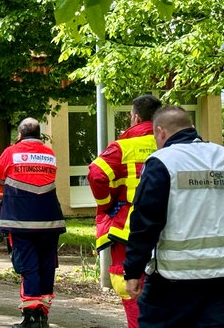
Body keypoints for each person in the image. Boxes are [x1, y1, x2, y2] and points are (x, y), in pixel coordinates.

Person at [123, 106, 224, 327]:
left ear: (160, 132)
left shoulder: (162, 162)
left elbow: (145, 223)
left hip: (175, 278)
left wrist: (133, 270)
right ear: (192, 128)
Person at [87, 94, 161, 328]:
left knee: (129, 285)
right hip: (173, 227)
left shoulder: (123, 146)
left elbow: (97, 174)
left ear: (135, 117)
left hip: (130, 227)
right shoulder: (170, 143)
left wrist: (107, 203)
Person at [0, 118, 66, 328]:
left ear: (20, 134)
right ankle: (43, 316)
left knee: (29, 267)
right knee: (46, 267)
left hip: (21, 220)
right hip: (50, 220)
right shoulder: (49, 154)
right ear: (39, 134)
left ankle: (31, 317)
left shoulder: (11, 152)